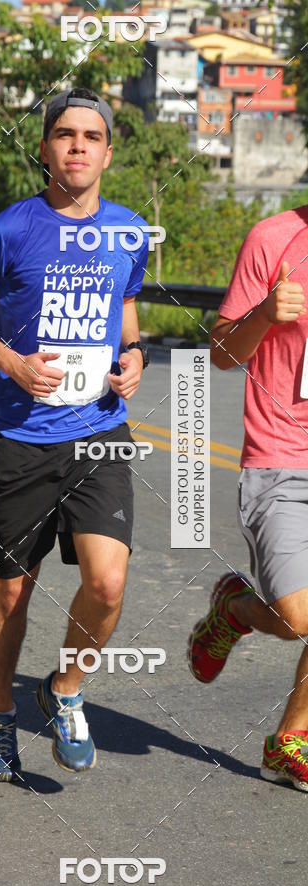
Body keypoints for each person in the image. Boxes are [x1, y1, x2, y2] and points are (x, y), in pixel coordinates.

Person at [0, 88, 151, 781]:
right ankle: (0, 715)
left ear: (109, 153)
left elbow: (125, 305)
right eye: (65, 134)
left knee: (109, 584)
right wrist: (9, 360)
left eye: (92, 136)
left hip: (99, 433)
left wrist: (135, 356)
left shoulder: (129, 230)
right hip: (18, 438)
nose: (78, 146)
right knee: (11, 592)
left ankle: (63, 691)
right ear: (44, 149)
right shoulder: (9, 228)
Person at [188, 204, 308, 792]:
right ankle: (234, 610)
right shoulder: (274, 238)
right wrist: (265, 312)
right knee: (297, 619)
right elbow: (222, 353)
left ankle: (290, 741)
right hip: (282, 454)